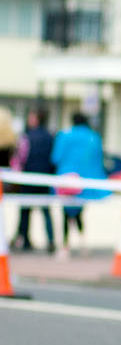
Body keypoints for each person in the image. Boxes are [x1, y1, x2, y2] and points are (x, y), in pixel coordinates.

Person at [51, 111, 106, 253]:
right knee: (80, 212)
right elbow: (98, 160)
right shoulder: (93, 137)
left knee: (65, 212)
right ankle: (83, 244)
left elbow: (56, 157)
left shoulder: (64, 135)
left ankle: (64, 246)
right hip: (85, 182)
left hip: (66, 180)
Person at [12, 106, 56, 253]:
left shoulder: (27, 136)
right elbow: (54, 158)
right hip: (45, 177)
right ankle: (50, 240)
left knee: (25, 210)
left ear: (36, 119)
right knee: (46, 211)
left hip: (28, 176)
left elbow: (20, 157)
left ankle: (24, 239)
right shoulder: (50, 136)